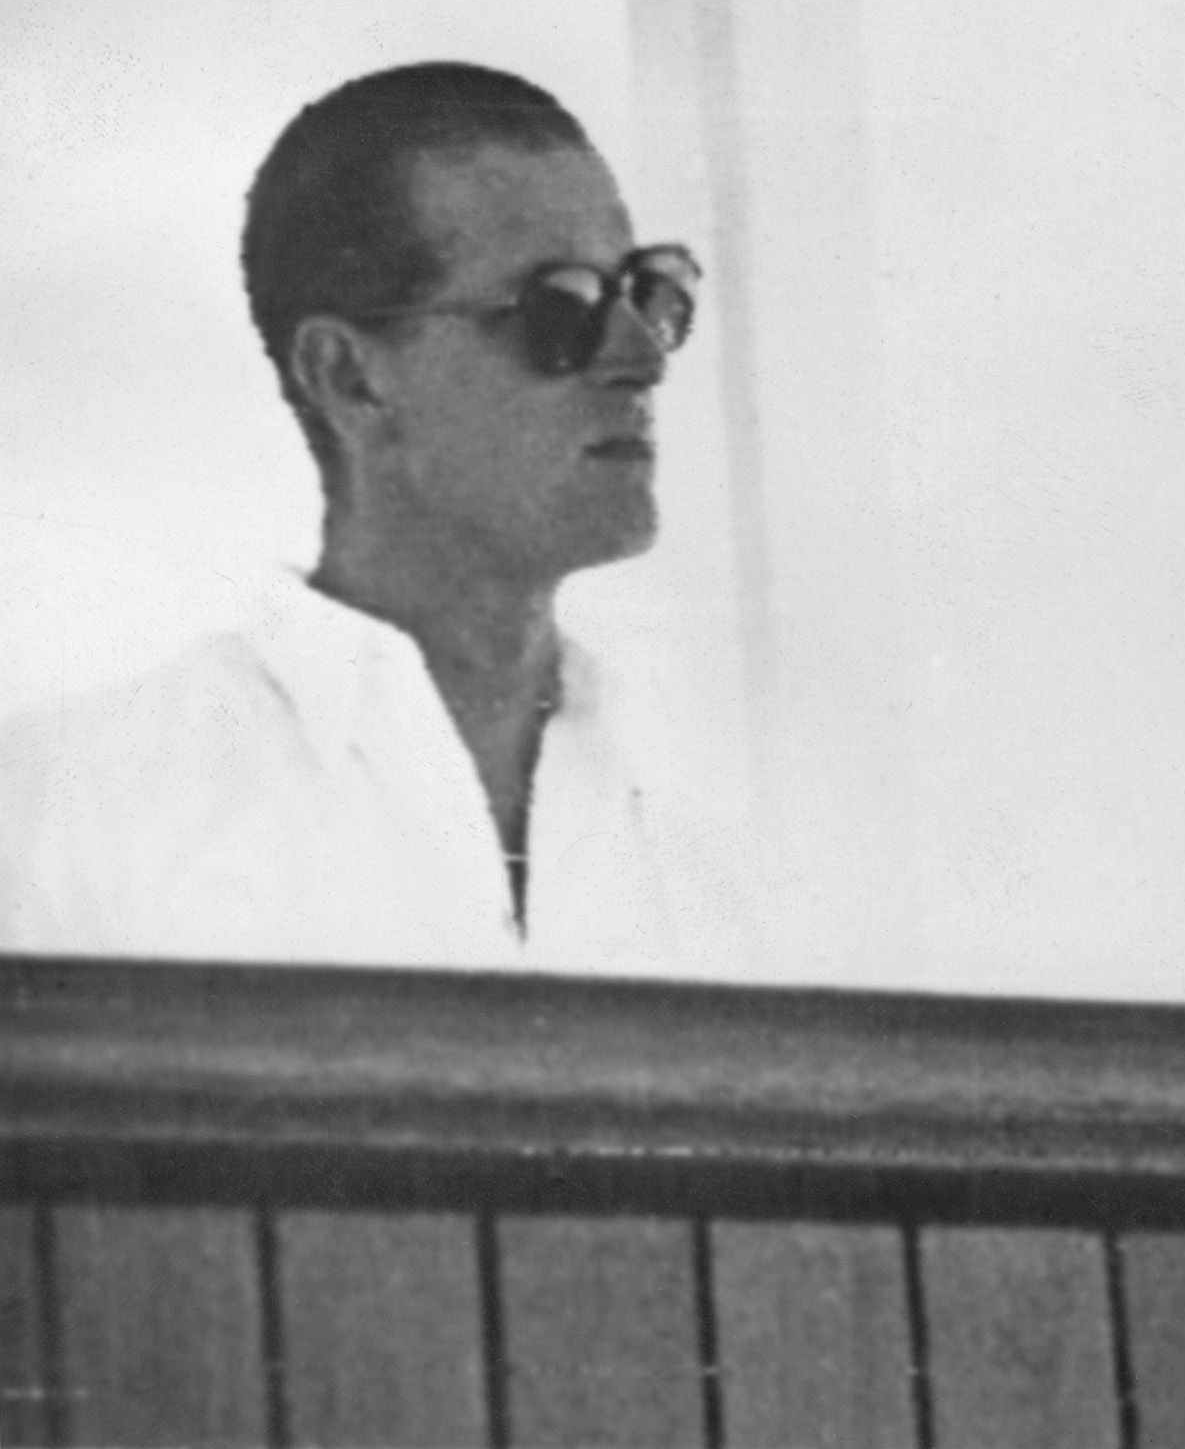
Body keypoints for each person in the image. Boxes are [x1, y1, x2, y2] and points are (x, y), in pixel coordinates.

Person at [0, 62, 750, 973]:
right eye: (563, 307)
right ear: (350, 377)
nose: (640, 357)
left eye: (649, 290)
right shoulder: (73, 815)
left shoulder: (721, 829)